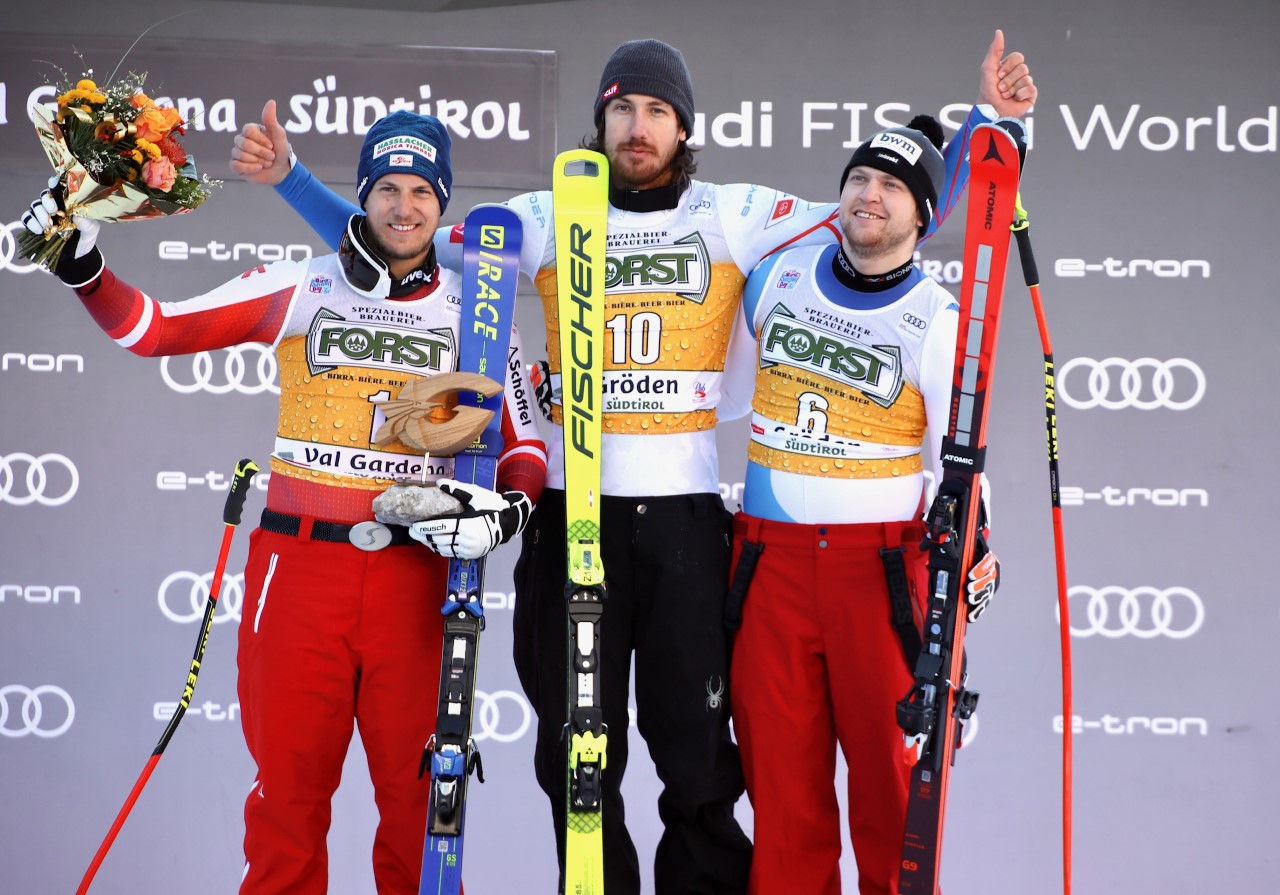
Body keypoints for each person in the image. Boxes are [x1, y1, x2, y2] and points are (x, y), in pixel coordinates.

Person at [229, 32, 1034, 895]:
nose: (638, 127)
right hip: (577, 522)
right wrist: (292, 182)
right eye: (622, 109)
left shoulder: (732, 213)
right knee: (578, 765)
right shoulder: (543, 217)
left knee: (700, 764)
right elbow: (398, 243)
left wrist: (994, 129)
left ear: (683, 128)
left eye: (656, 111)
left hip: (686, 525)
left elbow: (889, 210)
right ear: (601, 119)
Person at [23, 111, 546, 895]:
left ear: (442, 205)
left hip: (415, 583)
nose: (404, 208)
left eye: (421, 192)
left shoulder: (477, 307)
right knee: (287, 808)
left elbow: (527, 445)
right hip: (298, 574)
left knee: (421, 809)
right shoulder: (306, 283)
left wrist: (511, 510)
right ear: (363, 197)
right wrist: (83, 266)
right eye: (386, 190)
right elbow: (154, 331)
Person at [726, 115, 1006, 895]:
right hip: (768, 562)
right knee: (784, 803)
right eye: (858, 179)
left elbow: (966, 465)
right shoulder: (777, 278)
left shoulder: (938, 318)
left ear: (922, 213)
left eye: (891, 186)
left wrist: (975, 549)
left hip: (878, 571)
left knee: (894, 803)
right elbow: (714, 398)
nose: (868, 196)